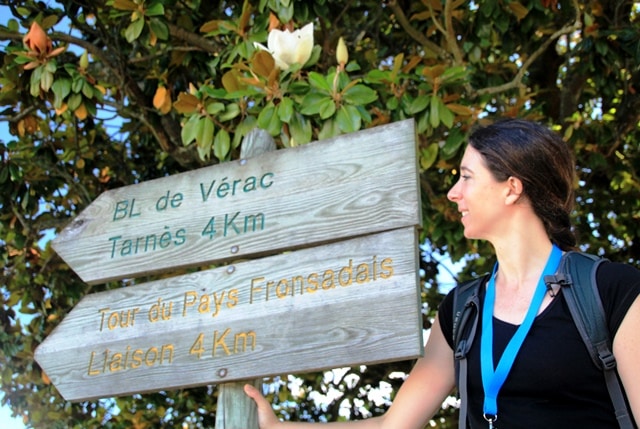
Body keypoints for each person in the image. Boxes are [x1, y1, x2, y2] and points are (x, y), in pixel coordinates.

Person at [244, 118, 640, 428]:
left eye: (467, 177)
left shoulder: (612, 292)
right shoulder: (461, 311)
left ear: (511, 188)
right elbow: (392, 426)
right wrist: (278, 426)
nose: (454, 193)